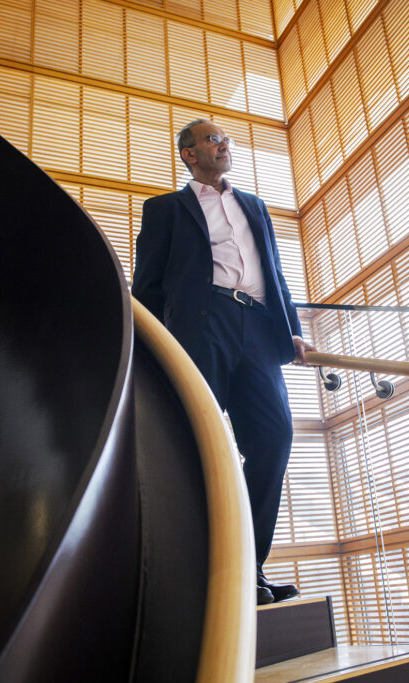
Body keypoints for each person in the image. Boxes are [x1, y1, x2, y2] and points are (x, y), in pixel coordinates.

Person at [132, 119, 316, 605]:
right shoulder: (165, 209)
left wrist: (292, 329)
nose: (224, 143)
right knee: (199, 443)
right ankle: (200, 567)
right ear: (189, 154)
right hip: (202, 324)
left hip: (258, 326)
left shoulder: (254, 205)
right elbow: (147, 285)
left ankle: (247, 566)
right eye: (213, 138)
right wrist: (151, 350)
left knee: (274, 436)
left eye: (225, 138)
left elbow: (275, 272)